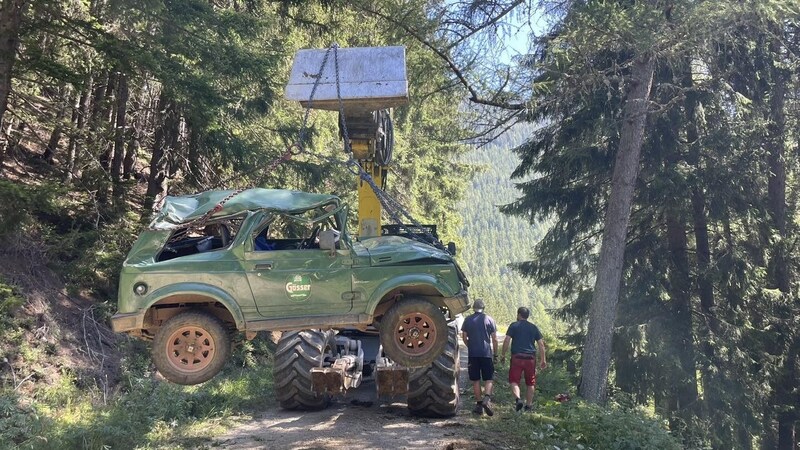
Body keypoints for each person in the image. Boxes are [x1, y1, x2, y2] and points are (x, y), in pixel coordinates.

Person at [501, 306, 546, 412]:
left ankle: (518, 400)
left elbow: (507, 340)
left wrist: (503, 354)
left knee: (514, 380)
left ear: (519, 315)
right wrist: (543, 359)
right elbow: (541, 344)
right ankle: (529, 406)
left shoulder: (513, 325)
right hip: (530, 358)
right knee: (530, 383)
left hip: (517, 357)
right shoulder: (533, 327)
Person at [460, 299, 498, 416]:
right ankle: (487, 398)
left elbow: (464, 336)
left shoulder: (468, 320)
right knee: (489, 378)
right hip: (486, 354)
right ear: (484, 308)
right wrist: (495, 354)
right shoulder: (490, 320)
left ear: (473, 308)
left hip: (473, 354)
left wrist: (470, 346)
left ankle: (479, 405)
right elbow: (495, 339)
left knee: (475, 379)